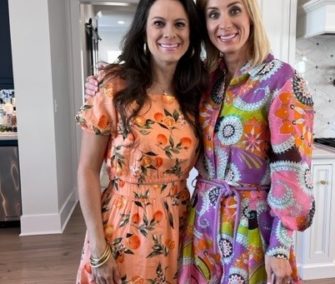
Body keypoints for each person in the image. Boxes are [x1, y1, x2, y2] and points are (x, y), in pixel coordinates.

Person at [85, 0, 315, 283]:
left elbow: (293, 170)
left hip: (250, 230)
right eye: (213, 14)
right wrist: (105, 80)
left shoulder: (282, 80)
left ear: (251, 16)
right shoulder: (203, 82)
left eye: (234, 10)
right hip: (199, 226)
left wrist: (280, 248)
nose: (224, 23)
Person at [75, 0, 207, 283]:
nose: (169, 33)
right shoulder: (114, 87)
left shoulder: (197, 92)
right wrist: (99, 248)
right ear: (143, 30)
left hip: (179, 229)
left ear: (191, 33)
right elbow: (87, 170)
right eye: (159, 23)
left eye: (179, 24)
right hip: (123, 230)